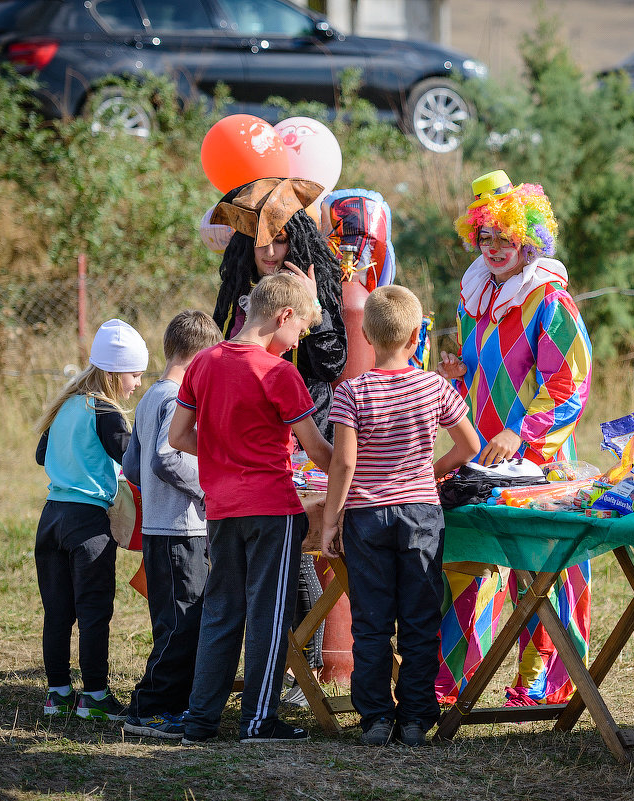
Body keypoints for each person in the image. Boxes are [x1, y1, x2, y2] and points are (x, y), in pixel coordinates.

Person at [435, 170, 594, 707]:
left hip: (538, 460)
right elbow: (477, 373)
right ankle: (450, 681)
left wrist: (519, 432)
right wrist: (456, 373)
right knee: (467, 558)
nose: (496, 248)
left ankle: (541, 683)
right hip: (480, 455)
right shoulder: (477, 293)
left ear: (530, 241)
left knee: (540, 567)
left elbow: (570, 380)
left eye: (506, 238)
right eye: (486, 237)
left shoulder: (546, 298)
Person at [169, 273, 333, 745]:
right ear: (284, 316)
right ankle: (259, 721)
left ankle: (200, 721)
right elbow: (318, 450)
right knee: (269, 613)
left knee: (221, 610)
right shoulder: (280, 373)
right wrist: (354, 470)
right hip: (272, 509)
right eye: (300, 329)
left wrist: (226, 452)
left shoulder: (202, 362)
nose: (298, 340)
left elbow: (178, 437)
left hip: (221, 509)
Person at [320, 286, 480, 747]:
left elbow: (344, 463)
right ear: (416, 335)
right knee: (418, 622)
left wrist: (331, 520)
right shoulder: (434, 386)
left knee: (371, 624)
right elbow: (469, 446)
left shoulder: (351, 391)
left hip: (367, 517)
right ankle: (414, 719)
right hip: (421, 515)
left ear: (366, 335)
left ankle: (374, 719)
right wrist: (432, 470)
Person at [210, 176, 346, 698]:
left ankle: (299, 669)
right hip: (253, 452)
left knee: (298, 557)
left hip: (308, 435)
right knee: (265, 565)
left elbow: (332, 363)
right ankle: (280, 671)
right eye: (261, 241)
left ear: (299, 240)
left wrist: (312, 307)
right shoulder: (244, 290)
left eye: (281, 239)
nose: (270, 251)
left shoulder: (316, 287)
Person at [33, 318, 148, 720]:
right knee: (95, 610)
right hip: (87, 522)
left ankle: (58, 694)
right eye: (135, 375)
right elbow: (130, 460)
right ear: (116, 373)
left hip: (50, 519)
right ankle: (95, 696)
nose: (137, 384)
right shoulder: (106, 411)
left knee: (58, 612)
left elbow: (41, 455)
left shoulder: (66, 405)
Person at [120, 310, 222, 739]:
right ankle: (152, 709)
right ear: (199, 359)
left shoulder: (149, 398)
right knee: (184, 625)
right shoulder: (176, 398)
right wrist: (208, 486)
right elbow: (166, 458)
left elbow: (133, 464)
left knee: (172, 622)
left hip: (161, 529)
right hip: (182, 530)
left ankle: (163, 701)